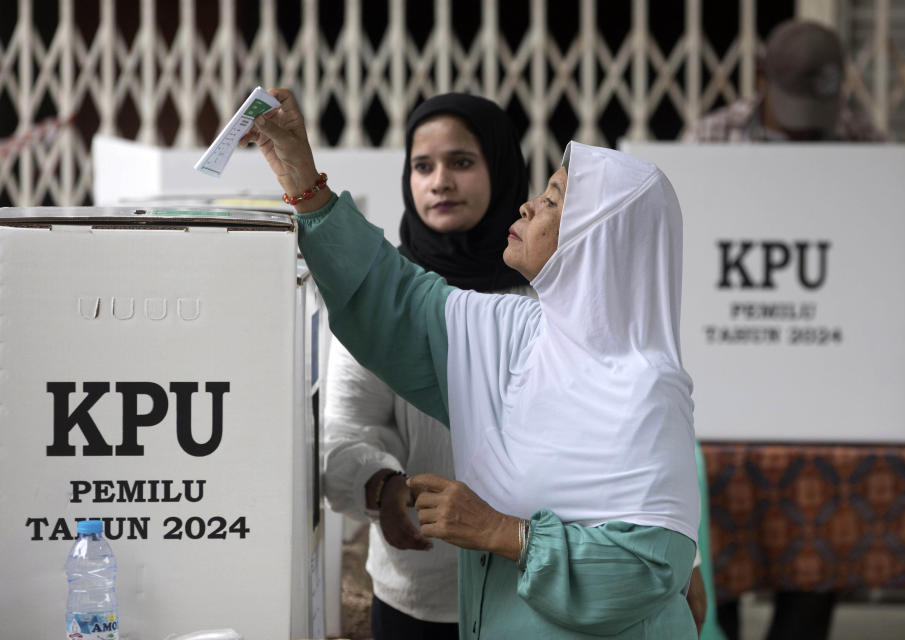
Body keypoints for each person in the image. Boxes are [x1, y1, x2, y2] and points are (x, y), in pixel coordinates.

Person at [243, 88, 701, 637]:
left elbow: (651, 566)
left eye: (553, 201)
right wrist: (302, 177)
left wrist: (504, 534)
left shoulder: (645, 383)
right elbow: (397, 300)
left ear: (597, 239)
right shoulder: (519, 332)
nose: (528, 206)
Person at [684, 19, 886, 640]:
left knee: (816, 551)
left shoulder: (864, 145)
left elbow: (877, 269)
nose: (803, 123)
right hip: (719, 392)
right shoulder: (709, 139)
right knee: (716, 561)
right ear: (760, 79)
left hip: (820, 397)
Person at [322, 93, 532, 639]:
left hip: (537, 589)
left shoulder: (550, 292)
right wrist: (384, 485)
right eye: (423, 165)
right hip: (416, 597)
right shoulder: (385, 301)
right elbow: (343, 432)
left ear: (502, 168)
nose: (439, 181)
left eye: (461, 162)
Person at [683, 19, 884, 143]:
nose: (805, 129)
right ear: (761, 79)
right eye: (797, 106)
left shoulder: (860, 136)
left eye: (820, 110)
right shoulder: (711, 137)